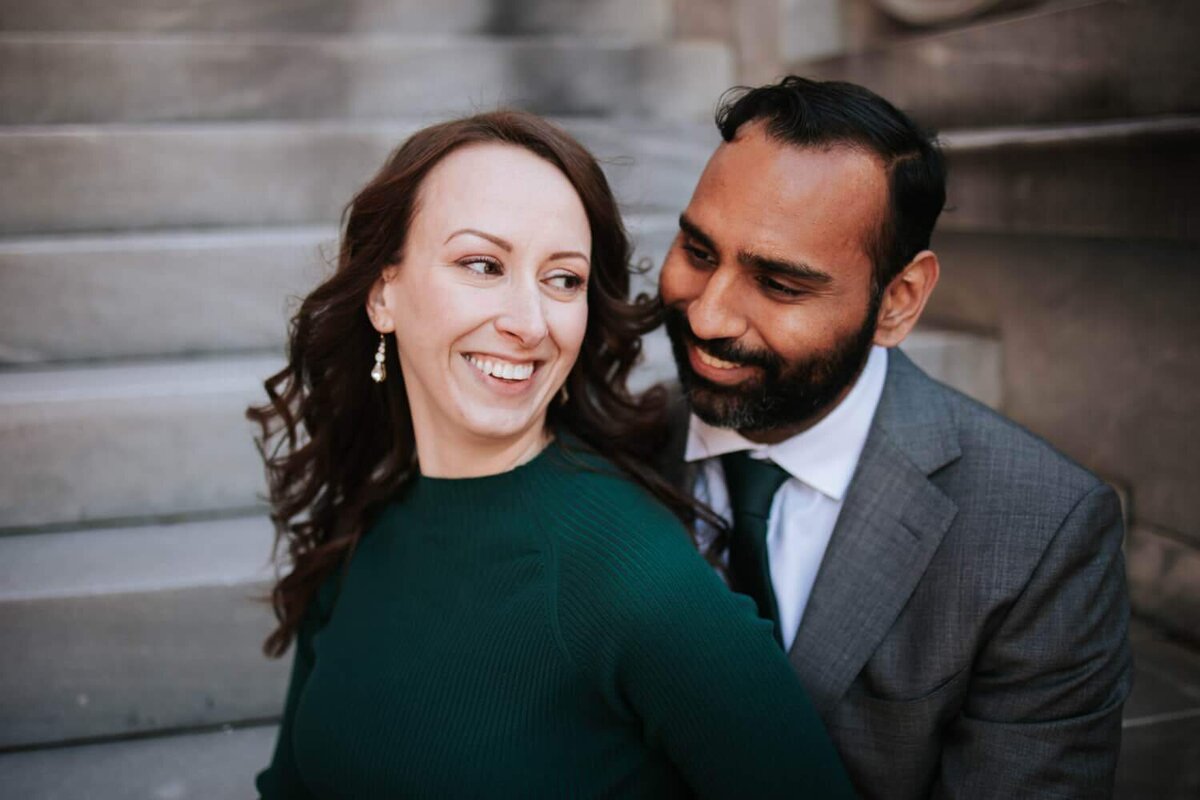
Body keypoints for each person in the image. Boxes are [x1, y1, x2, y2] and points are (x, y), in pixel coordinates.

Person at [248, 110, 854, 798]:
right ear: (384, 292)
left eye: (562, 280)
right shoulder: (364, 514)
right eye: (482, 265)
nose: (529, 323)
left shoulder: (634, 576)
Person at [657, 77, 1133, 799]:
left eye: (780, 285)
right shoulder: (607, 446)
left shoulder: (1042, 534)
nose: (709, 316)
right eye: (697, 249)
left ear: (898, 301)